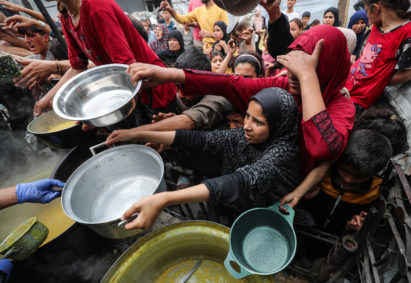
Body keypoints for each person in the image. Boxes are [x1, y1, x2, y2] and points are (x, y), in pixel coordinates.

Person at [125, 24, 355, 179]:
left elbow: (323, 147)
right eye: (292, 67)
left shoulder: (341, 106)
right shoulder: (284, 86)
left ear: (327, 69)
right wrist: (171, 74)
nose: (291, 75)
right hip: (267, 172)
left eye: (304, 70)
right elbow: (232, 84)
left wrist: (307, 77)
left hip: (301, 184)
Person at [106, 87, 301, 230]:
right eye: (248, 116)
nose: (247, 125)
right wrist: (137, 135)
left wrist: (164, 199)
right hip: (245, 208)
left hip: (276, 216)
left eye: (258, 122)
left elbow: (240, 181)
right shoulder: (244, 135)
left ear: (278, 125)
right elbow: (200, 139)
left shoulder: (283, 152)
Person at [29, 0, 177, 117]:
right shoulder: (66, 17)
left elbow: (128, 67)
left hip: (153, 89)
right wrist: (47, 99)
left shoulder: (96, 7)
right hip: (127, 92)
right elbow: (77, 67)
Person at [106, 48, 229, 133]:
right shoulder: (181, 98)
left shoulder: (217, 98)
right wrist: (172, 120)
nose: (181, 95)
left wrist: (131, 134)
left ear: (202, 83)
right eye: (177, 87)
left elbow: (188, 122)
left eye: (188, 88)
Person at [297, 130, 393, 234]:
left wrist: (356, 224)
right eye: (344, 170)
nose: (349, 179)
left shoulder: (374, 190)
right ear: (338, 158)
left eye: (360, 176)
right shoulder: (320, 174)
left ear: (376, 172)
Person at [346, 0, 411, 112]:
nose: (367, 17)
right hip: (345, 86)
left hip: (357, 99)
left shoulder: (410, 30)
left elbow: (407, 74)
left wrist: (376, 81)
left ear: (376, 8)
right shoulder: (377, 25)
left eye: (367, 11)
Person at [160, 0, 228, 51]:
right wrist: (170, 10)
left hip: (219, 49)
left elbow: (226, 33)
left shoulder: (221, 9)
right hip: (206, 50)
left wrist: (210, 34)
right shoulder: (199, 11)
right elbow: (183, 19)